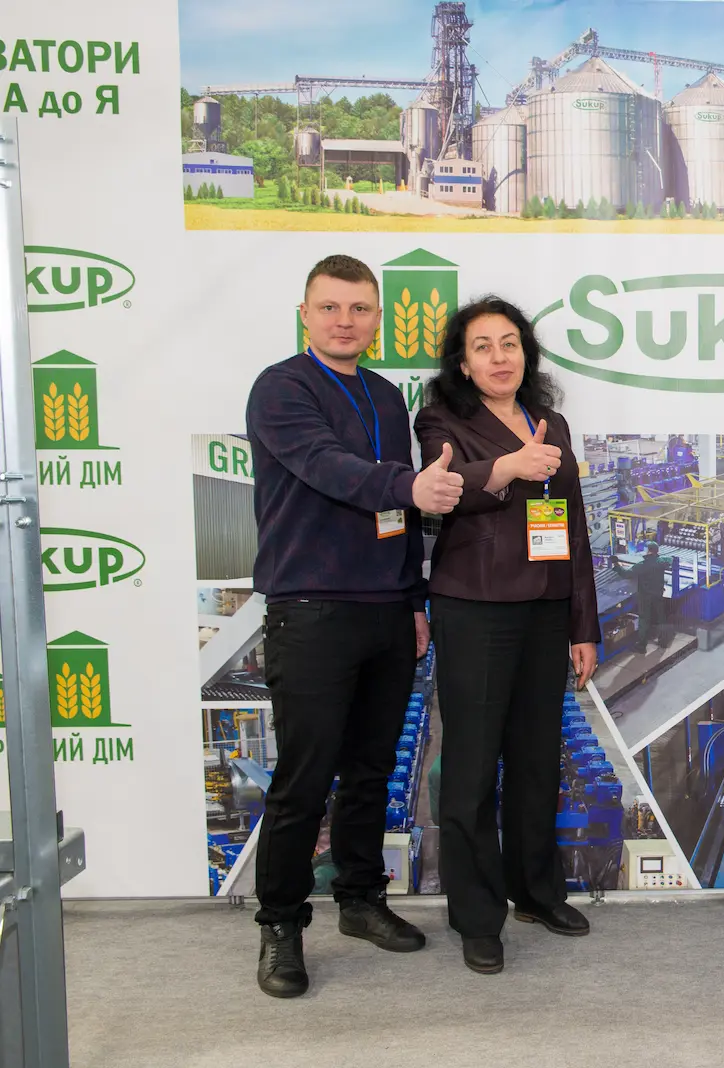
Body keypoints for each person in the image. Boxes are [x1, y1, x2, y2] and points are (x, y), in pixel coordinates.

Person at [246, 254, 464, 998]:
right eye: (331, 307)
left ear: (377, 318)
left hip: (385, 611)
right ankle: (280, 925)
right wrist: (411, 485)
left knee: (373, 770)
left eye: (360, 308)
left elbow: (397, 512)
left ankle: (361, 899)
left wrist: (414, 601)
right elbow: (326, 466)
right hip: (311, 609)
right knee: (304, 779)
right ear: (304, 314)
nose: (346, 321)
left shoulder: (385, 395)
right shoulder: (282, 388)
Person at [413, 296, 601, 976]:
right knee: (470, 768)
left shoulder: (553, 422)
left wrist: (583, 625)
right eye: (483, 346)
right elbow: (445, 488)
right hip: (477, 609)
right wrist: (506, 467)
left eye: (510, 344)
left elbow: (572, 523)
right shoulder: (441, 419)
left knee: (536, 761)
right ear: (463, 364)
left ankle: (537, 892)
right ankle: (476, 916)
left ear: (527, 354)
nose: (499, 357)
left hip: (545, 611)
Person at [623, 541, 671, 651]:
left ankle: (641, 646)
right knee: (661, 617)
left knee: (644, 619)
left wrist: (616, 565)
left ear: (648, 550)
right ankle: (663, 641)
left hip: (645, 596)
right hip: (658, 594)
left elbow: (626, 574)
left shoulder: (642, 565)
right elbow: (670, 560)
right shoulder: (661, 562)